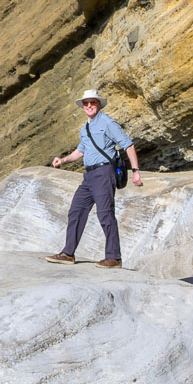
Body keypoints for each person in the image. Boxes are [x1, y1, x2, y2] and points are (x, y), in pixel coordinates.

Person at [44, 88, 141, 268]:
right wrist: (63, 160)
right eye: (86, 103)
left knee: (105, 213)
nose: (89, 105)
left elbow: (128, 145)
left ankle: (114, 257)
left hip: (104, 173)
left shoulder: (108, 123)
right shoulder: (86, 128)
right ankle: (68, 253)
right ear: (83, 106)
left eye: (93, 102)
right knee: (76, 210)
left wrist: (135, 171)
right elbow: (81, 150)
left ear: (98, 104)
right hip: (89, 175)